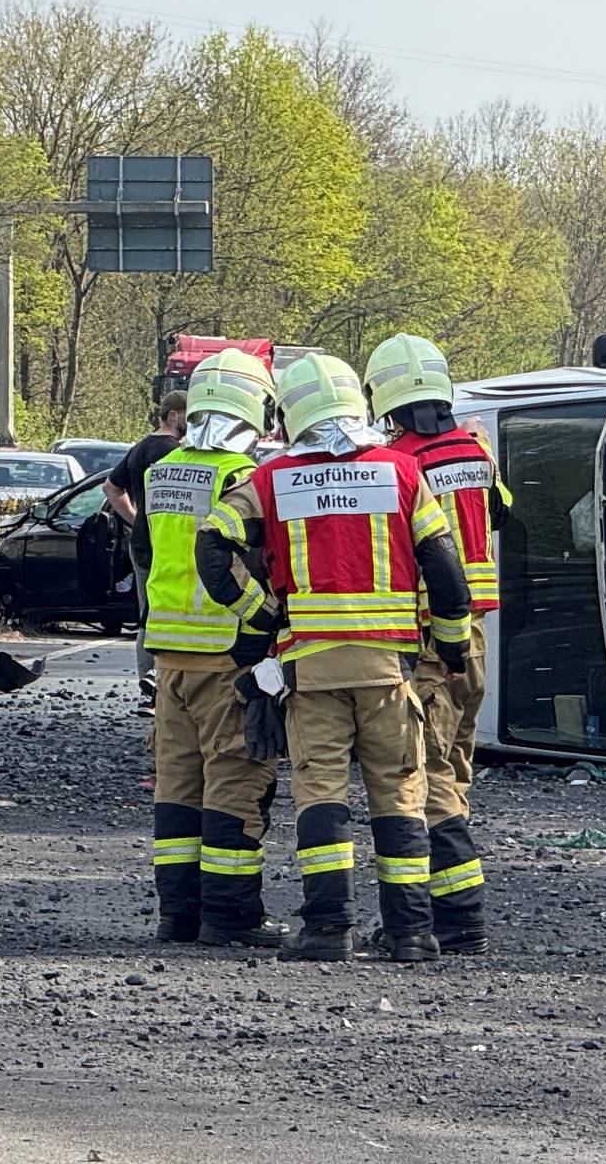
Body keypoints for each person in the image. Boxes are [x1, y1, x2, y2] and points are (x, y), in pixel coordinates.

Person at [197, 354, 473, 963]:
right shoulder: (401, 473)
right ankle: (409, 932)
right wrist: (450, 645)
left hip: (311, 670)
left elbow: (213, 541)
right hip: (387, 671)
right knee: (399, 794)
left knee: (320, 794)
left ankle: (327, 928)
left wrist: (260, 613)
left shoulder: (271, 481)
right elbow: (447, 570)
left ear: (292, 413)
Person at [365, 333, 506, 956]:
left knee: (425, 777)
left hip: (429, 639)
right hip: (473, 637)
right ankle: (449, 909)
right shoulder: (477, 450)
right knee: (453, 771)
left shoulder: (400, 463)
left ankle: (457, 919)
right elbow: (499, 515)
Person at [138, 350, 282, 947]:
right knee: (235, 779)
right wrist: (265, 615)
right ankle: (231, 917)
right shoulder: (239, 477)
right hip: (226, 651)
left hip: (168, 651)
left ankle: (179, 916)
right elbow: (245, 561)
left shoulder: (160, 470)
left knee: (178, 784)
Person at [107, 389, 191, 705]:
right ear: (173, 415)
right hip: (168, 542)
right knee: (174, 612)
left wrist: (136, 519)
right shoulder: (172, 452)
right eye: (188, 412)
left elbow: (111, 488)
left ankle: (148, 685)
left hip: (141, 542)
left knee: (148, 614)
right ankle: (168, 684)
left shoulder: (140, 447)